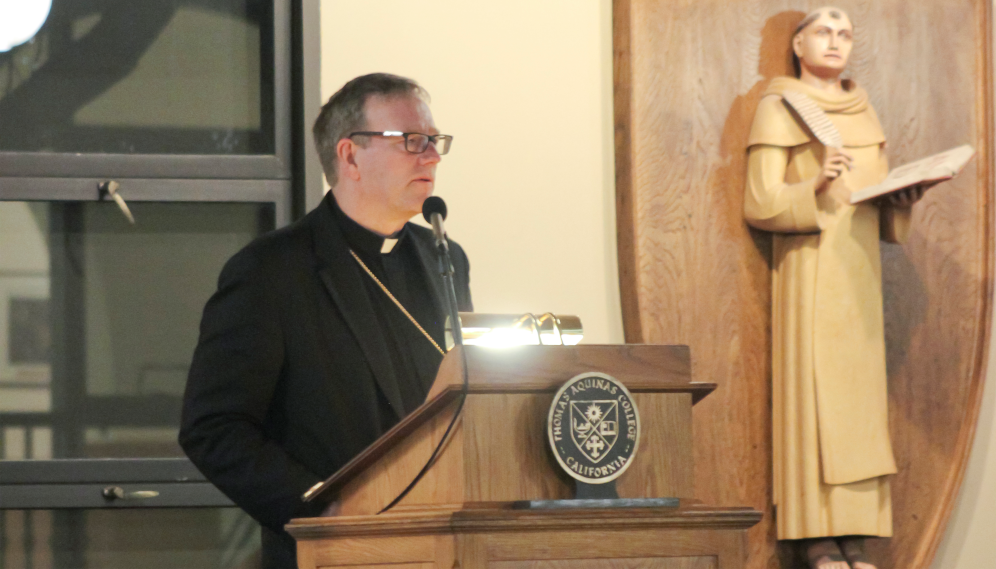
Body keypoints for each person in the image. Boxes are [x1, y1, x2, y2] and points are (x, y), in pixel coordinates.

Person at [179, 73, 473, 569]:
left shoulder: (445, 258)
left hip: (442, 545)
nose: (432, 156)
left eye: (433, 141)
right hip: (331, 548)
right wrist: (322, 504)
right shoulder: (271, 270)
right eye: (412, 141)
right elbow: (214, 427)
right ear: (350, 156)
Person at [743, 8, 928, 569]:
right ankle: (817, 537)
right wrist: (815, 184)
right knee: (815, 402)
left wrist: (899, 205)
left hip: (860, 274)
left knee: (859, 410)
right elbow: (759, 201)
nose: (836, 42)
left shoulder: (862, 109)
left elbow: (877, 196)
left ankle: (857, 536)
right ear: (798, 43)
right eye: (823, 31)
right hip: (811, 266)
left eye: (845, 34)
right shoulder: (781, 107)